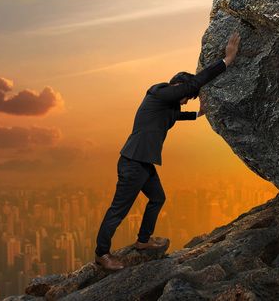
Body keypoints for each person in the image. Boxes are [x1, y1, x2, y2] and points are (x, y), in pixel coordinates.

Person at [93, 31, 242, 271]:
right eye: (186, 97)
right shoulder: (158, 92)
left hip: (143, 163)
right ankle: (102, 254)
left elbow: (175, 116)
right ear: (177, 87)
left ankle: (143, 240)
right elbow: (193, 84)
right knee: (119, 210)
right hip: (133, 162)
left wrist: (197, 114)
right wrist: (227, 60)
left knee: (158, 198)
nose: (185, 101)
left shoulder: (166, 107)